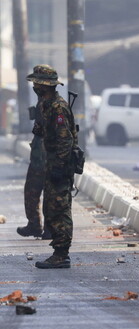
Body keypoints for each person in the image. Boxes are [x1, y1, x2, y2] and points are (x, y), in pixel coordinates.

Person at [26, 64, 76, 269]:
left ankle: (62, 254)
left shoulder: (58, 107)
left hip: (60, 164)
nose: (35, 86)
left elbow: (66, 140)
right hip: (51, 162)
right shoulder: (45, 104)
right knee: (50, 207)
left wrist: (60, 166)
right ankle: (58, 251)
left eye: (37, 83)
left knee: (59, 208)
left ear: (45, 85)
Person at [16, 106, 51, 240]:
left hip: (48, 159)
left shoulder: (54, 105)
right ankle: (35, 225)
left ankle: (49, 228)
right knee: (31, 191)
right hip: (38, 158)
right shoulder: (43, 102)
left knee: (50, 195)